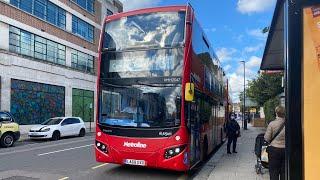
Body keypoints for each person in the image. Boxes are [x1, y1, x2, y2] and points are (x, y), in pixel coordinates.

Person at [264, 106, 285, 180]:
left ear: (276, 113)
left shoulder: (272, 124)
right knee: (284, 172)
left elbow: (267, 138)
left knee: (273, 172)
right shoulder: (288, 123)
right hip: (285, 150)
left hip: (274, 150)